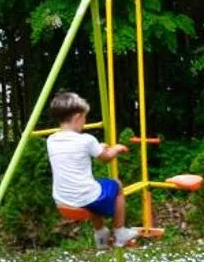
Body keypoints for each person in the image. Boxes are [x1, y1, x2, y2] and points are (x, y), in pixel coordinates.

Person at [44, 91, 139, 247]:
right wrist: (116, 149)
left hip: (62, 200)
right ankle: (120, 232)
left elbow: (74, 152)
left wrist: (97, 148)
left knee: (93, 187)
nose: (85, 122)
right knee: (116, 185)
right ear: (77, 117)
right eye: (84, 117)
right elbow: (106, 158)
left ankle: (101, 234)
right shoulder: (87, 140)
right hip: (85, 197)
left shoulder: (51, 140)